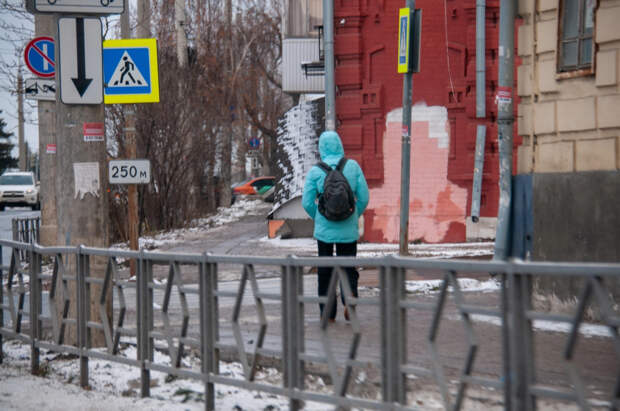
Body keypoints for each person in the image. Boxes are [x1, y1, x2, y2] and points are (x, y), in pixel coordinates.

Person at [302, 130, 369, 322]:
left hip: (324, 232)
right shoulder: (353, 166)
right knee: (348, 267)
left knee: (325, 270)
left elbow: (307, 202)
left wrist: (320, 218)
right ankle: (350, 299)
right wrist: (353, 215)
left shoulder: (316, 171)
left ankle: (327, 313)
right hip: (348, 229)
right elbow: (364, 197)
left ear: (321, 148)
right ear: (340, 145)